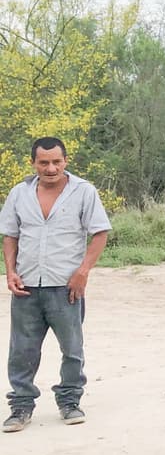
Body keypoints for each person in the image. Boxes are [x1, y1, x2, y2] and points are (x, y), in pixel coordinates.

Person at [2, 137, 111, 432]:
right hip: (27, 285)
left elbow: (99, 233)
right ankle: (21, 406)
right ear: (33, 163)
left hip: (66, 286)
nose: (50, 168)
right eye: (43, 162)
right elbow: (10, 234)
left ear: (65, 161)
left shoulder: (84, 192)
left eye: (56, 162)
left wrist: (83, 271)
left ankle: (69, 401)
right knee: (22, 349)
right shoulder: (19, 193)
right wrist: (10, 270)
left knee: (72, 348)